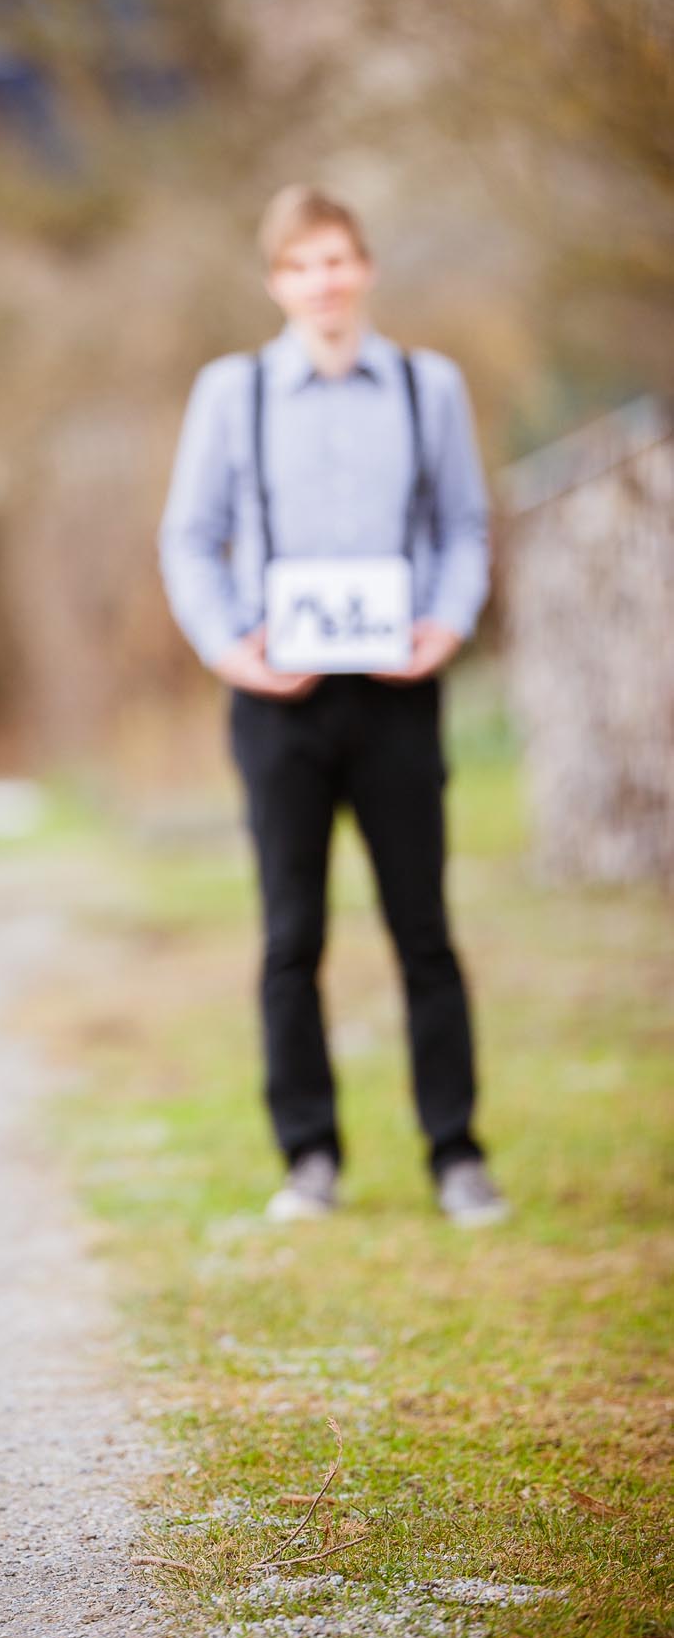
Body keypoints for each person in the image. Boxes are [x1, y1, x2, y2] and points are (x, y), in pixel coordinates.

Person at [158, 184, 509, 1228]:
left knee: (424, 930)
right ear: (277, 281)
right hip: (282, 707)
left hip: (399, 695)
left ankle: (455, 1151)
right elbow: (189, 536)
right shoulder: (233, 392)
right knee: (289, 934)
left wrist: (443, 626)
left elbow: (463, 527)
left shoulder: (424, 385)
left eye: (339, 259)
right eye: (302, 264)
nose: (324, 281)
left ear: (364, 269)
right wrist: (233, 647)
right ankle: (308, 1154)